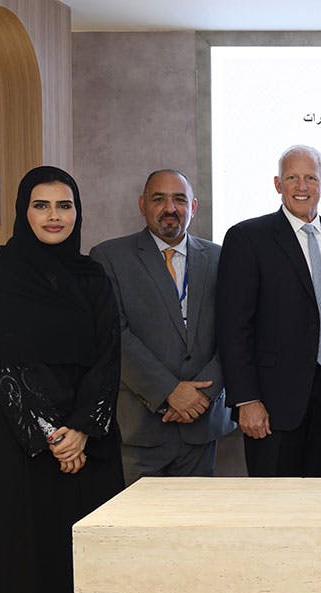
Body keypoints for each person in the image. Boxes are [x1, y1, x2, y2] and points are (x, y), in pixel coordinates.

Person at [0, 166, 125, 593]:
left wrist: (82, 429)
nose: (55, 216)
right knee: (20, 564)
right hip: (18, 446)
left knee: (81, 564)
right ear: (23, 212)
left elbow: (109, 356)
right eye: (41, 205)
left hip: (86, 444)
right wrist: (51, 433)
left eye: (65, 205)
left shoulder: (92, 276)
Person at [217, 145, 321, 476]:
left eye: (310, 177)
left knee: (320, 501)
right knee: (275, 508)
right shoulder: (248, 238)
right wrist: (245, 400)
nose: (302, 186)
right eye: (292, 178)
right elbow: (233, 327)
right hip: (271, 401)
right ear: (277, 184)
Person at [91, 169, 233, 484]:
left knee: (194, 529)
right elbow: (115, 334)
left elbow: (234, 334)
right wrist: (169, 392)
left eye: (179, 199)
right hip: (141, 429)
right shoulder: (109, 257)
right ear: (142, 205)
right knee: (137, 530)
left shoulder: (220, 258)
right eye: (159, 199)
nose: (170, 208)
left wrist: (201, 397)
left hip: (202, 425)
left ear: (193, 207)